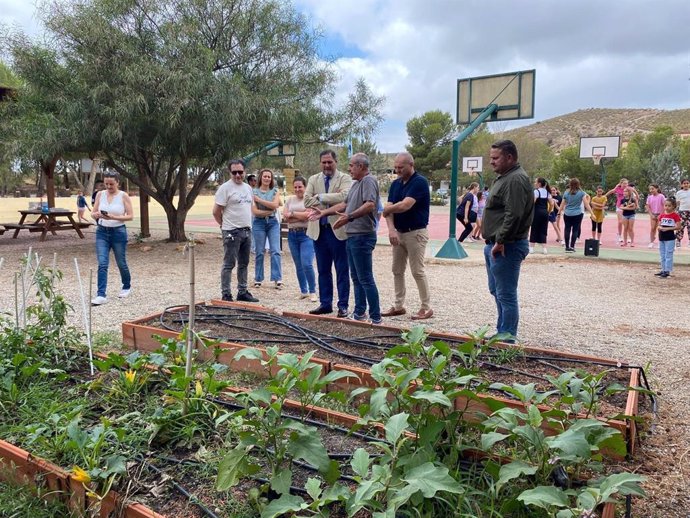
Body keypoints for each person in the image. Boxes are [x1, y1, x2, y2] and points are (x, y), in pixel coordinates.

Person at [311, 153, 380, 324]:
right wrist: (324, 213)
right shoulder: (357, 183)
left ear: (361, 166)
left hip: (363, 236)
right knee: (356, 277)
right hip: (353, 236)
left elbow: (370, 204)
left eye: (351, 165)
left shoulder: (369, 181)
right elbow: (344, 204)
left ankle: (376, 317)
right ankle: (359, 313)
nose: (349, 169)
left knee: (365, 278)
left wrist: (349, 217)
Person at [482, 140, 533, 341]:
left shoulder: (515, 180)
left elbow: (514, 214)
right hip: (496, 244)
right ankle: (501, 332)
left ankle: (507, 337)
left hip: (506, 246)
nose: (491, 162)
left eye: (495, 158)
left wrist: (501, 240)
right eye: (491, 158)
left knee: (506, 294)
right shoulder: (505, 177)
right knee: (497, 291)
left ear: (509, 157)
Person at [381, 151, 433, 320]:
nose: (397, 170)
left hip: (415, 232)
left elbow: (405, 206)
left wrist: (388, 209)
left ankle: (426, 307)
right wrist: (391, 230)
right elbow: (389, 210)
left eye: (400, 167)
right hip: (399, 232)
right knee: (397, 270)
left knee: (417, 271)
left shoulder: (419, 182)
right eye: (395, 167)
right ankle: (398, 305)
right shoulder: (396, 184)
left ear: (411, 165)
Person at [304, 150, 352, 317]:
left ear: (336, 162)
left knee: (342, 270)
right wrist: (334, 198)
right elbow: (307, 200)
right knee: (323, 270)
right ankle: (325, 304)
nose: (326, 165)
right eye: (324, 162)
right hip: (319, 232)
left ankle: (343, 305)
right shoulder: (313, 179)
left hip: (338, 231)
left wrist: (322, 197)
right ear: (320, 163)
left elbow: (346, 197)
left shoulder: (345, 178)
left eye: (329, 162)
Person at [212, 159, 259, 303]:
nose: (238, 175)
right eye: (234, 172)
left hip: (246, 230)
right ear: (230, 172)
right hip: (231, 232)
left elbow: (249, 207)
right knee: (228, 264)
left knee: (244, 263)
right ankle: (226, 294)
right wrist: (224, 226)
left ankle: (242, 291)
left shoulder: (247, 188)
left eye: (240, 172)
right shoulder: (225, 188)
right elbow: (216, 211)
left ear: (245, 172)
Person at [90, 172, 133, 305]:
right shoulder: (100, 194)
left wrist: (114, 217)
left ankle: (126, 286)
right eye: (106, 184)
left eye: (111, 184)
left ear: (118, 183)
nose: (108, 186)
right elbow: (93, 213)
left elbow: (130, 216)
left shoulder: (123, 196)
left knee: (121, 262)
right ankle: (101, 294)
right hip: (102, 232)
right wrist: (96, 215)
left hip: (118, 231)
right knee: (102, 263)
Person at [283, 176, 317, 302]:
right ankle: (304, 290)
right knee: (298, 264)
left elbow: (308, 216)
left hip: (306, 234)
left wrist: (292, 214)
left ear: (305, 187)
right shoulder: (290, 200)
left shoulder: (309, 200)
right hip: (292, 234)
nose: (297, 189)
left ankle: (313, 291)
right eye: (295, 187)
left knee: (306, 263)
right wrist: (299, 215)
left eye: (300, 187)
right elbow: (285, 216)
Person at [252, 168, 283, 289]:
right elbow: (254, 212)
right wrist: (269, 210)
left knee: (275, 250)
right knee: (259, 251)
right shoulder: (253, 191)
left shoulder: (275, 191)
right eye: (265, 176)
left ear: (271, 179)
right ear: (261, 178)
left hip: (273, 223)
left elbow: (276, 205)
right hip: (258, 223)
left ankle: (277, 278)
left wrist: (259, 201)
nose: (266, 178)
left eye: (269, 177)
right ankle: (258, 278)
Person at [558, 178, 591, 253]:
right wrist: (591, 213)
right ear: (578, 184)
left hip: (567, 213)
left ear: (570, 184)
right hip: (577, 213)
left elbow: (562, 204)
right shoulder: (581, 193)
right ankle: (572, 246)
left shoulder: (566, 193)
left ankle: (567, 247)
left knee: (567, 229)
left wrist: (559, 212)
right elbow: (586, 204)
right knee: (575, 230)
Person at [656, 198, 682, 278]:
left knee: (668, 254)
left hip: (670, 238)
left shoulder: (675, 216)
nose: (667, 207)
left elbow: (678, 227)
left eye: (669, 206)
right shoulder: (662, 215)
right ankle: (663, 269)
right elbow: (659, 224)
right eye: (665, 205)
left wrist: (667, 229)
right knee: (662, 254)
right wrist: (659, 227)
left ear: (673, 206)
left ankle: (667, 270)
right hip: (662, 237)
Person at [604, 178, 636, 243]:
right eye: (624, 183)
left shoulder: (629, 189)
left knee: (626, 223)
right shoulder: (617, 189)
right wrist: (604, 196)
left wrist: (636, 199)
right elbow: (611, 191)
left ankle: (628, 236)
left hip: (627, 207)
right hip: (619, 206)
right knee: (620, 222)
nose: (625, 185)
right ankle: (619, 235)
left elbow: (635, 194)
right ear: (620, 183)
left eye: (626, 183)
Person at [529, 177, 551, 254]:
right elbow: (551, 203)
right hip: (545, 212)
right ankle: (544, 248)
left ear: (539, 183)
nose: (534, 183)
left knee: (534, 228)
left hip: (537, 213)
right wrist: (548, 211)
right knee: (543, 229)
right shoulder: (548, 192)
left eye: (535, 182)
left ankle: (531, 247)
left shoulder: (536, 191)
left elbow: (533, 202)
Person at [645, 184, 666, 248]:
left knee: (660, 229)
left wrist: (661, 214)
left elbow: (664, 205)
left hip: (660, 214)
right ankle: (651, 242)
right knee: (652, 228)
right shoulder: (649, 197)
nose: (651, 190)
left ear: (657, 189)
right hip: (653, 214)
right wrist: (651, 215)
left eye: (653, 189)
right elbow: (648, 207)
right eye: (650, 189)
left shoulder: (661, 196)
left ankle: (660, 242)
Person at [674, 178, 690, 248]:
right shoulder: (679, 193)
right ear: (682, 185)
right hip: (682, 211)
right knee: (680, 227)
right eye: (684, 183)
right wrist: (675, 211)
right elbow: (677, 203)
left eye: (687, 183)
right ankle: (678, 241)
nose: (686, 185)